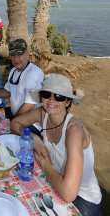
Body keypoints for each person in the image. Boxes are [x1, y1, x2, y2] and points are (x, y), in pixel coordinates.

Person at [11, 74, 102, 216]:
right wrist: (34, 137)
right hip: (58, 180)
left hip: (83, 200)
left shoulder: (74, 131)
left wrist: (43, 162)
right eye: (47, 94)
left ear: (68, 102)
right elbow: (15, 123)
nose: (51, 100)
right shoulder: (43, 113)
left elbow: (68, 193)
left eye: (59, 96)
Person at [0, 38, 44, 135]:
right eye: (13, 55)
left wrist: (13, 121)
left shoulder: (34, 73)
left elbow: (29, 107)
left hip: (31, 124)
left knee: (2, 134)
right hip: (16, 113)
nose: (16, 59)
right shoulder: (14, 71)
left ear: (27, 53)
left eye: (19, 55)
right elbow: (7, 92)